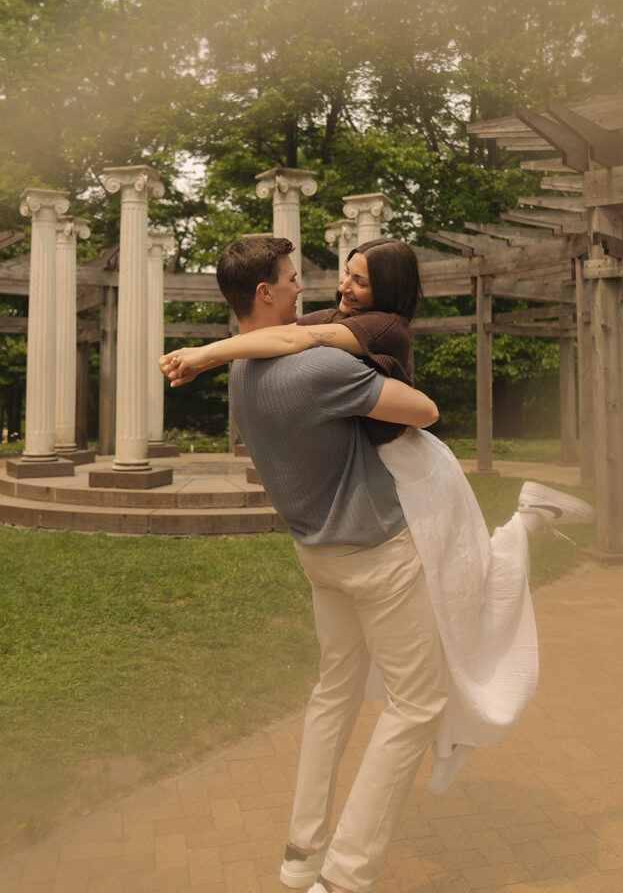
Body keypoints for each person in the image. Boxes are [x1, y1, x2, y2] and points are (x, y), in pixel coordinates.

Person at [161, 237, 594, 893]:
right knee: (416, 704)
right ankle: (345, 876)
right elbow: (421, 412)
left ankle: (301, 853)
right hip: (377, 553)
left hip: (316, 554)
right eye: (289, 279)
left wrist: (211, 352)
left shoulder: (245, 374)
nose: (306, 289)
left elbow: (292, 347)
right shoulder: (319, 370)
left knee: (333, 692)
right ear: (264, 294)